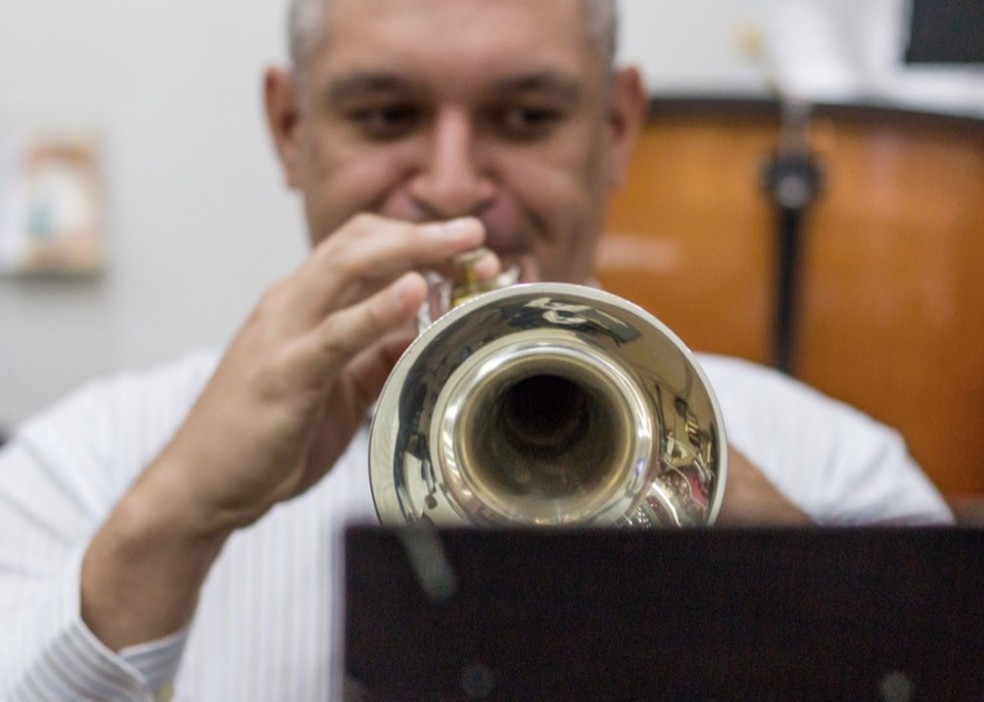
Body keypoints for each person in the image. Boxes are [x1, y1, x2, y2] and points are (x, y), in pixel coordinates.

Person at [0, 0, 952, 699]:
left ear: (618, 128)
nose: (453, 188)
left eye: (526, 118)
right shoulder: (85, 461)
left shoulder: (838, 469)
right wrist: (176, 519)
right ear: (290, 128)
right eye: (386, 116)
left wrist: (781, 568)